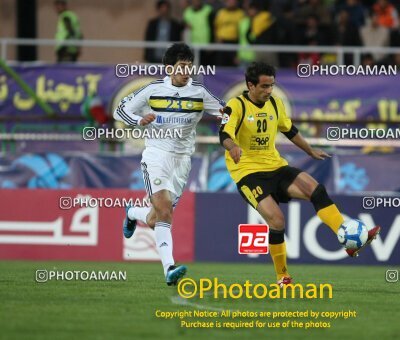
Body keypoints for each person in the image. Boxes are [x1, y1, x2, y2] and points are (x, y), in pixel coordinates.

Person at [218, 62, 381, 286]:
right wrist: (232, 146)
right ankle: (282, 276)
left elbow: (290, 130)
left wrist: (310, 150)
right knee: (276, 220)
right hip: (248, 173)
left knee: (315, 188)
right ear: (250, 85)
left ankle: (348, 240)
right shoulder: (236, 105)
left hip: (276, 166)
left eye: (271, 86)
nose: (268, 91)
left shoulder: (275, 103)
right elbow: (223, 133)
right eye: (264, 86)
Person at [113, 43, 224, 286]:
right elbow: (120, 111)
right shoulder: (153, 90)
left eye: (189, 67)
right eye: (182, 67)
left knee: (156, 218)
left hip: (183, 161)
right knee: (164, 210)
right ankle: (169, 269)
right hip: (156, 155)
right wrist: (139, 119)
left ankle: (132, 212)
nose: (187, 72)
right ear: (169, 68)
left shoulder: (199, 93)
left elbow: (225, 113)